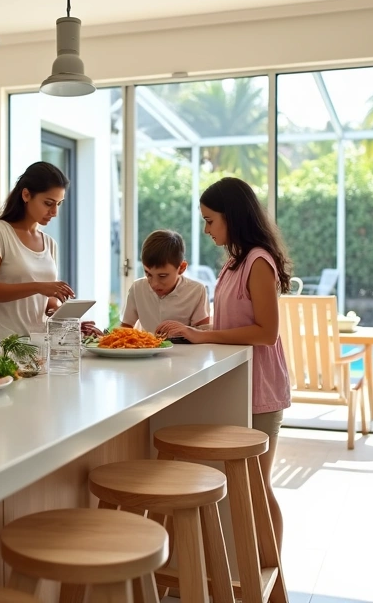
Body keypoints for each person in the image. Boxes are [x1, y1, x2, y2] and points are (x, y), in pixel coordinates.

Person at [156, 177, 293, 551]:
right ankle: (246, 570)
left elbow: (266, 332)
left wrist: (203, 335)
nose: (206, 228)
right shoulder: (234, 262)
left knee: (257, 487)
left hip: (260, 386)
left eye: (210, 220)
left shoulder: (258, 261)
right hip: (238, 383)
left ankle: (270, 572)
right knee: (246, 488)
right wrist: (195, 332)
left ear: (232, 217)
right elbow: (231, 323)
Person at [0, 161, 76, 340]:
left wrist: (64, 315)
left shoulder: (50, 243)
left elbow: (44, 302)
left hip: (39, 347)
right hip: (3, 347)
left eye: (58, 204)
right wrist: (38, 287)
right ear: (26, 195)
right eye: (48, 203)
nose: (54, 212)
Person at [120, 230, 210, 332]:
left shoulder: (196, 291)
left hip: (184, 347)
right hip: (146, 347)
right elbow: (125, 328)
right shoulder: (137, 288)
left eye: (162, 276)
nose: (154, 284)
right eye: (148, 273)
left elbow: (202, 333)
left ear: (181, 268)